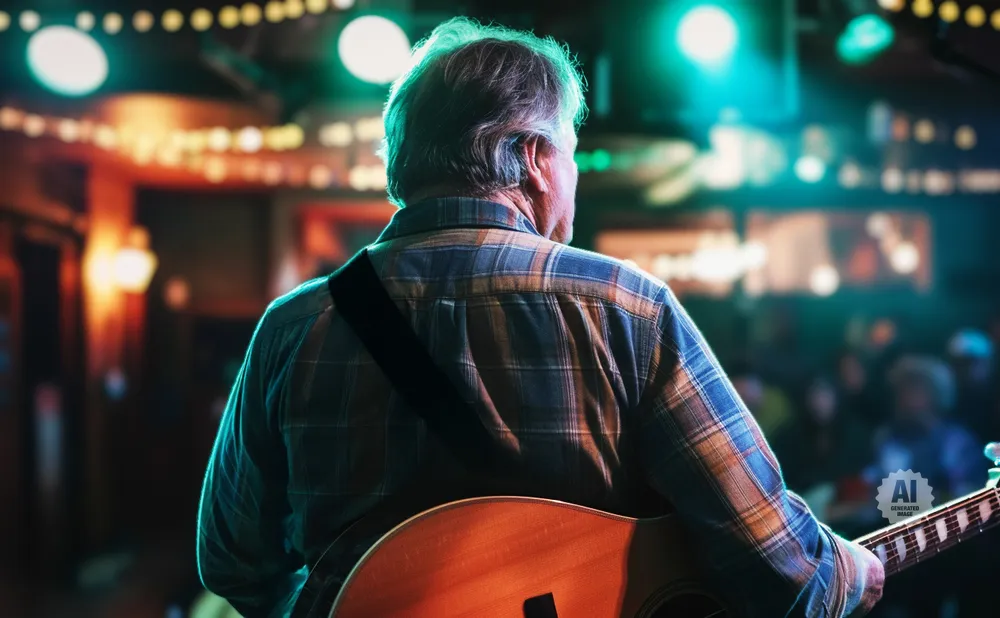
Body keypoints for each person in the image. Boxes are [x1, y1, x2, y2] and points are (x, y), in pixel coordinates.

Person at [196, 17, 883, 618]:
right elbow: (777, 566)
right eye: (571, 150)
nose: (573, 173)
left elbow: (232, 564)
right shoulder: (624, 307)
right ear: (532, 159)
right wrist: (849, 573)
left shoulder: (294, 326)